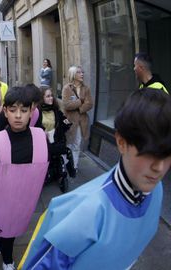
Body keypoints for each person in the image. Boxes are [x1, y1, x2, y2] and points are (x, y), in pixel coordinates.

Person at [20, 88, 171, 269]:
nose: (159, 167)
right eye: (148, 153)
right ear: (121, 142)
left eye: (167, 154)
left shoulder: (156, 191)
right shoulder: (84, 214)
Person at [0, 87, 49, 270]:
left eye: (24, 111)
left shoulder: (40, 137)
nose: (18, 116)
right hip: (1, 198)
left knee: (13, 226)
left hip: (22, 199)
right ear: (5, 112)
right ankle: (7, 260)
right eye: (13, 110)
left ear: (32, 111)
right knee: (6, 231)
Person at [39, 86, 75, 189]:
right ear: (42, 98)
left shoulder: (56, 111)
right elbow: (35, 127)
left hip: (56, 141)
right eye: (48, 96)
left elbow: (64, 121)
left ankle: (61, 174)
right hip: (43, 143)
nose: (51, 98)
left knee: (61, 153)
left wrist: (66, 123)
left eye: (51, 96)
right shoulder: (37, 113)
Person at [62, 66, 93, 174]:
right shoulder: (67, 88)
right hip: (70, 121)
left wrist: (80, 109)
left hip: (81, 121)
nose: (82, 74)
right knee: (68, 143)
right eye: (79, 72)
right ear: (73, 74)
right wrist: (80, 101)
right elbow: (66, 105)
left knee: (77, 144)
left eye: (82, 72)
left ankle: (74, 166)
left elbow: (89, 104)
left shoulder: (86, 88)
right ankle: (65, 164)